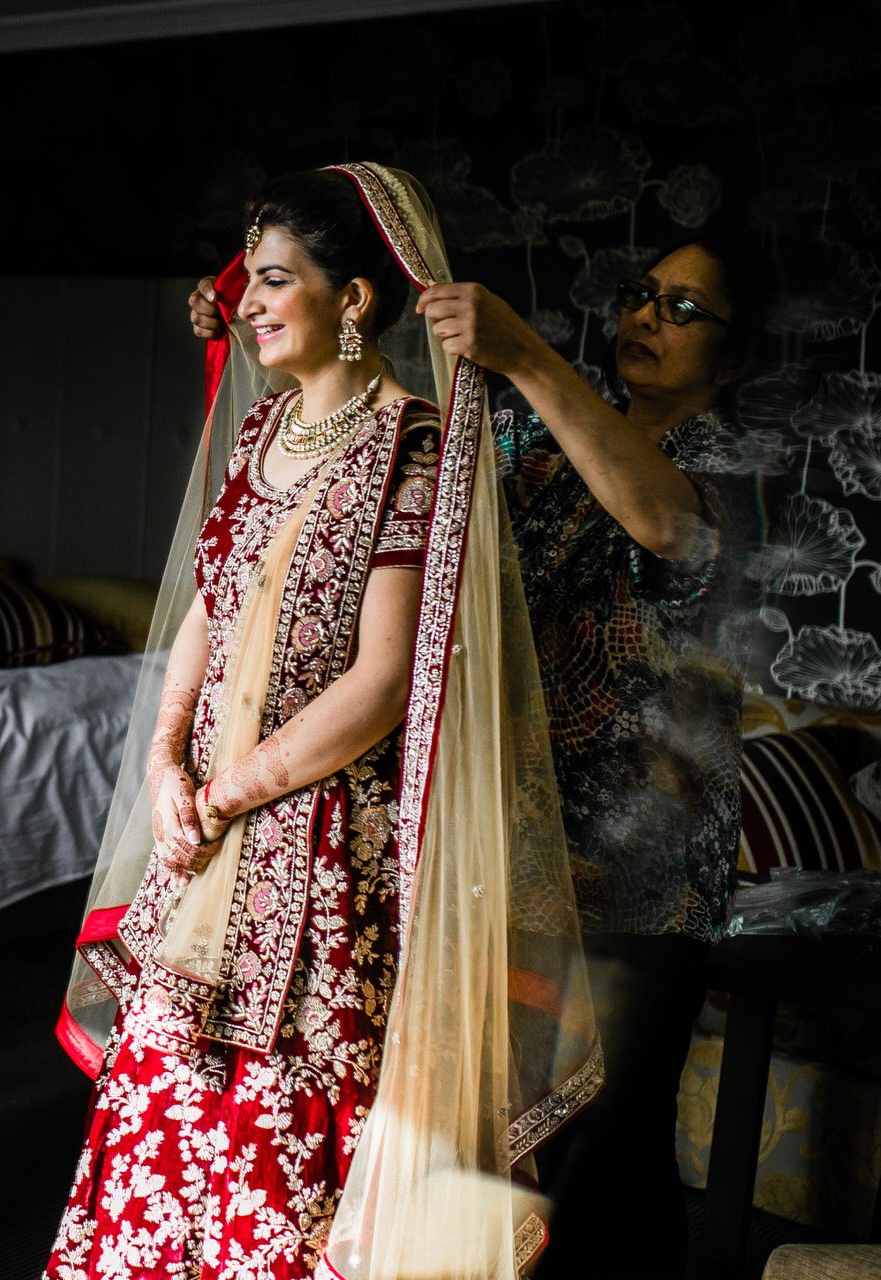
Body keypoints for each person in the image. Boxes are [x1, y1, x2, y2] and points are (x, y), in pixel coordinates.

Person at [52, 164, 598, 1280]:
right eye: (248, 282)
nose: (246, 303)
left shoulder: (414, 445)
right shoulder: (257, 439)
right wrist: (164, 765)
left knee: (289, 1129)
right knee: (161, 1108)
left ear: (352, 299)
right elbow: (204, 620)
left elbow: (384, 679)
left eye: (273, 280)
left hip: (324, 851)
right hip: (204, 834)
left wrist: (227, 790)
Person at [189, 231, 765, 1276]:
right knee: (512, 1141)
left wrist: (527, 355)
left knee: (612, 1136)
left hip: (641, 862)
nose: (646, 316)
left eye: (685, 308)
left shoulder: (723, 467)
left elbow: (665, 525)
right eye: (642, 294)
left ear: (733, 359)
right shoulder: (532, 442)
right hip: (512, 845)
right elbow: (387, 442)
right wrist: (272, 322)